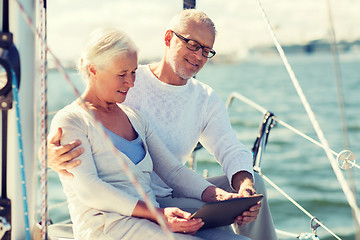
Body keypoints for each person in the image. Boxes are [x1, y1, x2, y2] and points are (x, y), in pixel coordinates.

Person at [49, 10, 277, 240]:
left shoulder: (139, 114)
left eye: (206, 50)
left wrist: (219, 196)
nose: (129, 82)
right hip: (115, 221)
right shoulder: (93, 107)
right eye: (192, 45)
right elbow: (85, 177)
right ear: (169, 38)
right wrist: (46, 155)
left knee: (241, 217)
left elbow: (176, 169)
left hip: (162, 203)